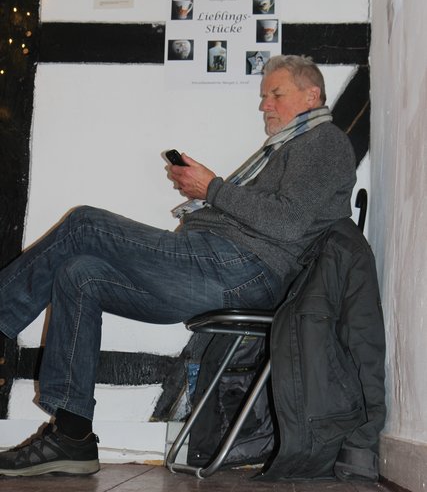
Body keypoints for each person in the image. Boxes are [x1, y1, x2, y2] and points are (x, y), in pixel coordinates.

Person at [0, 54, 356, 477]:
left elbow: (287, 221)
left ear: (312, 95)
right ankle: (72, 436)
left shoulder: (323, 141)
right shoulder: (290, 147)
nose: (264, 105)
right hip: (218, 267)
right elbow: (271, 214)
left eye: (275, 94)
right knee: (78, 275)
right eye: (264, 96)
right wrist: (208, 192)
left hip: (240, 268)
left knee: (84, 224)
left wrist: (213, 188)